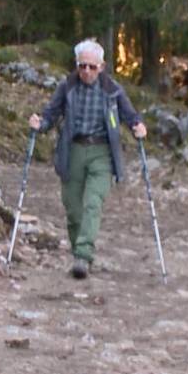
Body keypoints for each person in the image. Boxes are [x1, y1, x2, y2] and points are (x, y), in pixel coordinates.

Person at [29, 39, 147, 279]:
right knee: (73, 208)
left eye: (92, 67)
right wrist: (39, 124)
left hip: (102, 153)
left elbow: (130, 115)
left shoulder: (112, 90)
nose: (86, 71)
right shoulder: (67, 87)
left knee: (93, 202)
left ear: (101, 67)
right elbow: (50, 114)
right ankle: (78, 252)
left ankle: (83, 255)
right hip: (73, 150)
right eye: (82, 66)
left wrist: (138, 126)